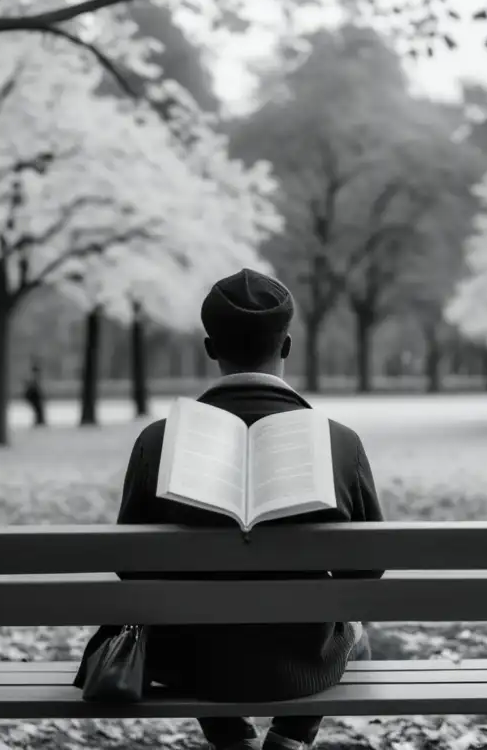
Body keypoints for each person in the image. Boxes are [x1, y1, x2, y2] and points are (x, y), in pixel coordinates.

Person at [73, 268, 384, 750]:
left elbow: (129, 567)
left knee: (192, 626)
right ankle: (291, 737)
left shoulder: (158, 442)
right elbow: (367, 568)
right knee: (354, 631)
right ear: (286, 347)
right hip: (304, 662)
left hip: (190, 663)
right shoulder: (339, 443)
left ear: (210, 347)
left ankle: (231, 737)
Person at [24, 362, 47, 427]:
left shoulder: (35, 377)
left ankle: (39, 421)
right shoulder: (34, 377)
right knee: (38, 409)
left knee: (38, 410)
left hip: (35, 396)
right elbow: (34, 387)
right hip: (34, 396)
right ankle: (39, 421)